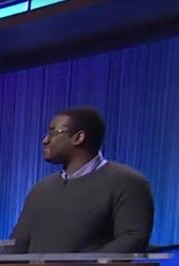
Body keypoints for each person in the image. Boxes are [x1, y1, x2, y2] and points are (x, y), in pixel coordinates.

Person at [11, 107, 153, 253]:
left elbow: (132, 238)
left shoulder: (127, 182)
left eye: (53, 132)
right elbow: (19, 243)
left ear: (78, 137)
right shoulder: (41, 189)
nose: (45, 140)